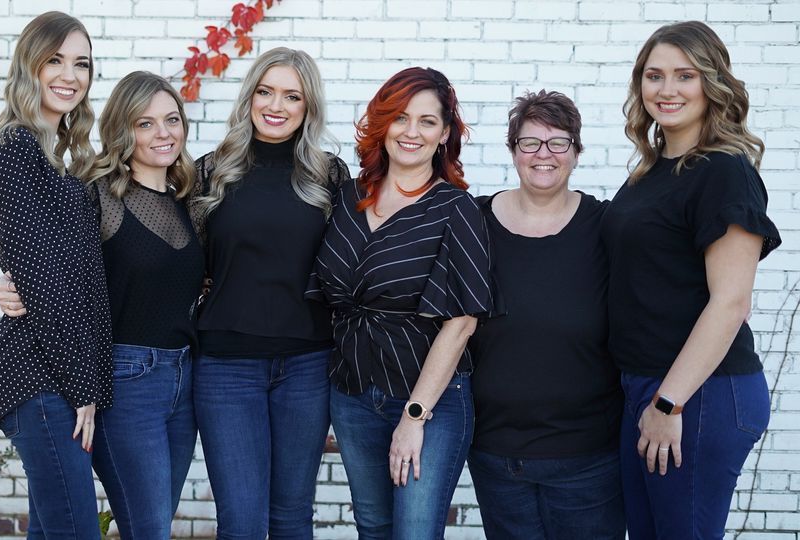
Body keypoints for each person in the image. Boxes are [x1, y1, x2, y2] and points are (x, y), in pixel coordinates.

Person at [0, 70, 204, 539]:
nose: (163, 133)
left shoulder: (189, 201)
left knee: (151, 524)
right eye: (145, 123)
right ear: (122, 129)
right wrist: (11, 286)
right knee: (148, 530)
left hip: (184, 381)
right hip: (126, 377)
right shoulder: (95, 195)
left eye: (172, 120)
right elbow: (46, 264)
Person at [601, 21, 781, 539]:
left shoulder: (724, 171)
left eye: (685, 75)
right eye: (654, 76)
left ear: (712, 83)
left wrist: (667, 402)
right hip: (646, 385)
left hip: (700, 394)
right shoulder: (652, 170)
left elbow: (731, 303)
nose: (668, 89)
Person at [306, 67, 494, 539]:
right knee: (373, 527)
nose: (412, 132)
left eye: (427, 122)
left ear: (444, 134)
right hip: (352, 395)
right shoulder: (347, 197)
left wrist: (414, 416)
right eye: (401, 118)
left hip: (429, 400)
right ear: (382, 123)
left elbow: (462, 322)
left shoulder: (456, 208)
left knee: (414, 532)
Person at [190, 47, 351, 539]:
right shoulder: (210, 172)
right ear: (249, 97)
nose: (275, 105)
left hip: (306, 365)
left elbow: (360, 260)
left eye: (291, 95)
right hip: (226, 367)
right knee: (240, 522)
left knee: (291, 518)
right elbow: (162, 252)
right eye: (265, 91)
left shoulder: (329, 176)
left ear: (308, 107)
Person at [466, 90, 625, 540]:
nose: (544, 154)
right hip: (496, 453)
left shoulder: (607, 225)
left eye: (558, 142)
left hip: (588, 455)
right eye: (530, 142)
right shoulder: (473, 221)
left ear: (576, 152)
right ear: (513, 150)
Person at [0, 11, 109, 539]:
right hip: (40, 380)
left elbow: (63, 268)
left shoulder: (55, 155)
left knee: (55, 528)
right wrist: (82, 387)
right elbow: (44, 284)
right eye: (54, 60)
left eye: (81, 63)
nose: (69, 74)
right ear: (28, 66)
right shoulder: (16, 150)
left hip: (55, 375)